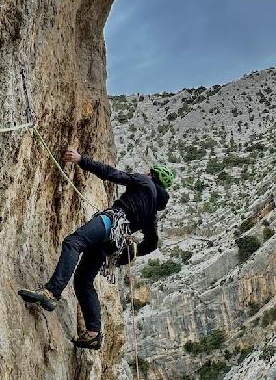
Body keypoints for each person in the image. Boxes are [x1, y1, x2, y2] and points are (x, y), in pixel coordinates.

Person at [19, 149, 175, 350]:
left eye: (148, 171)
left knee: (73, 242)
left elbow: (112, 174)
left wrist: (81, 160)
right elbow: (152, 243)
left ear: (152, 175)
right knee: (84, 281)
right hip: (113, 243)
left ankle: (51, 292)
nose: (145, 172)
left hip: (111, 222)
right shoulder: (153, 212)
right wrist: (134, 250)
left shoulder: (144, 182)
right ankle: (93, 333)